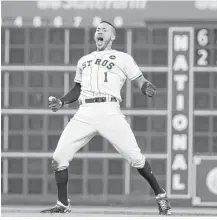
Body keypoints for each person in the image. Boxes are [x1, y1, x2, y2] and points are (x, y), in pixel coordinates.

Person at [41, 21, 172, 215]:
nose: (99, 32)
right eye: (97, 30)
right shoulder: (84, 60)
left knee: (135, 157)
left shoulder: (123, 57)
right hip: (84, 112)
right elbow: (77, 89)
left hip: (109, 110)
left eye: (104, 30)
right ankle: (62, 204)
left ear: (112, 36)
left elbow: (139, 80)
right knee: (58, 157)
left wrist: (145, 87)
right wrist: (61, 102)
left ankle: (160, 196)